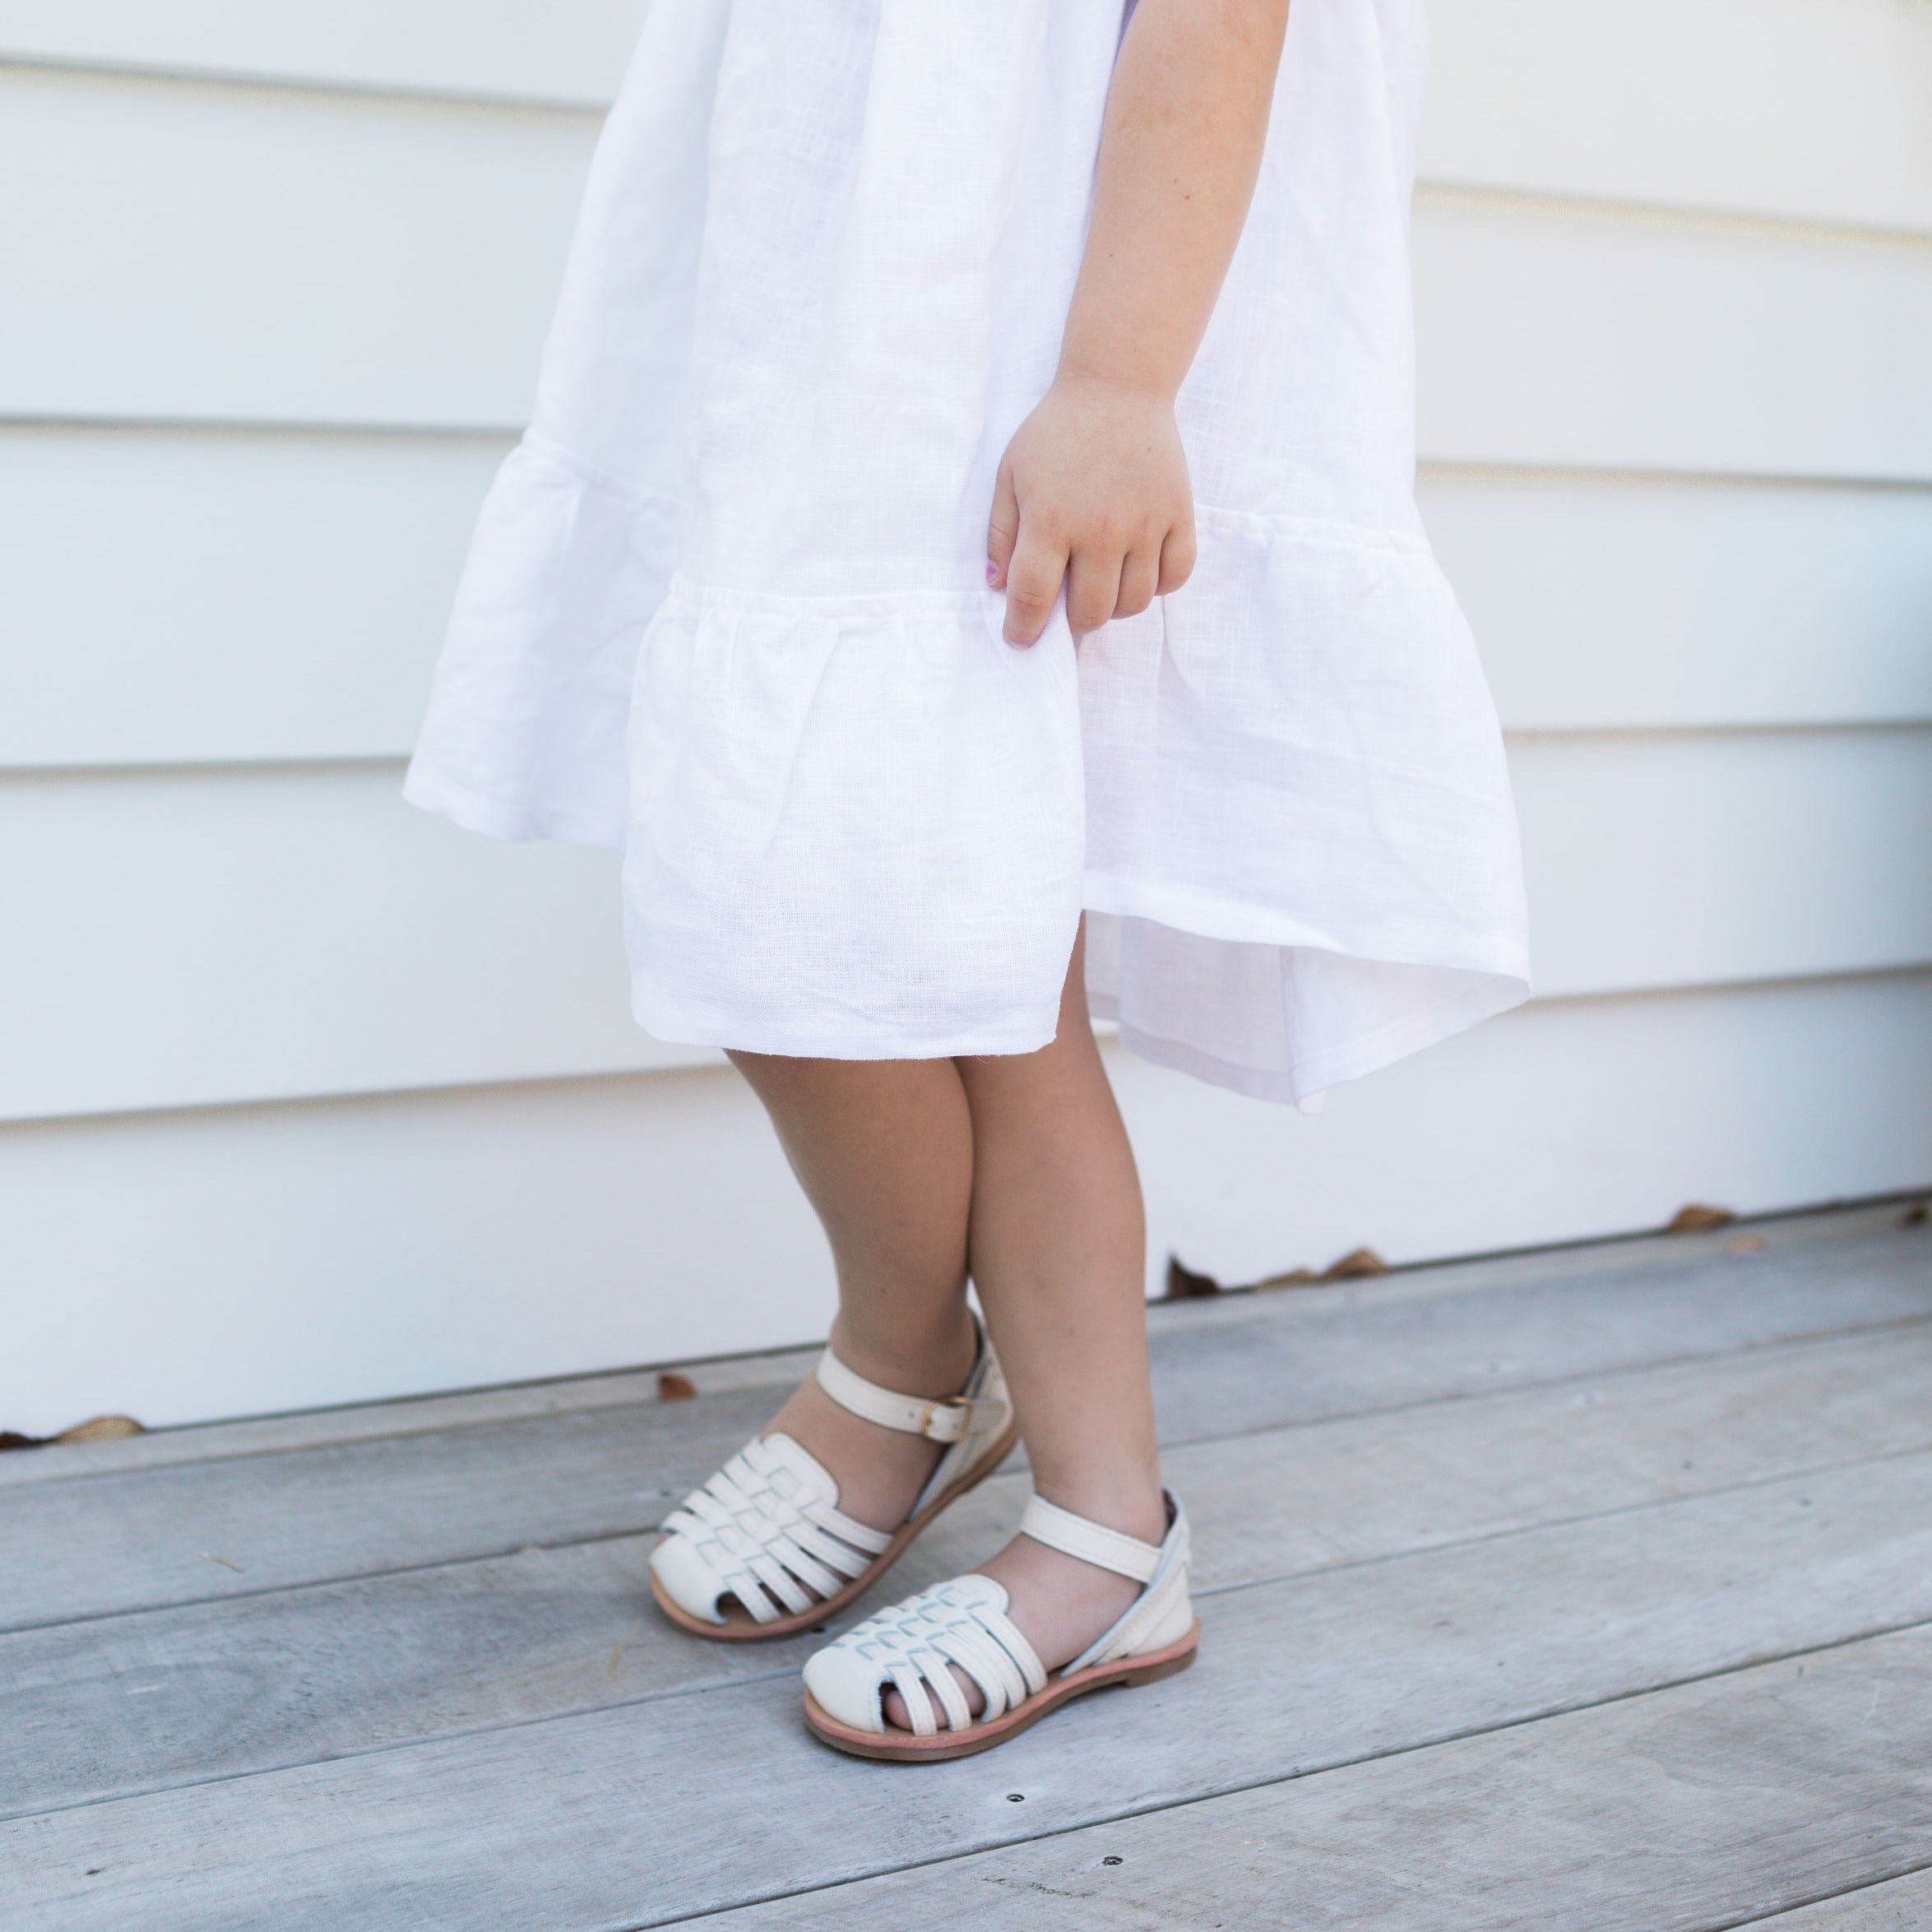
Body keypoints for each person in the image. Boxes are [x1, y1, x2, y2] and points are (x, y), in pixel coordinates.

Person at [405, 0, 1529, 1762]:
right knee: (856, 919)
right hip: (819, 305)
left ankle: (1071, 1496)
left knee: (937, 934)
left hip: (1034, 313)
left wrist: (1116, 379)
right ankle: (918, 1367)